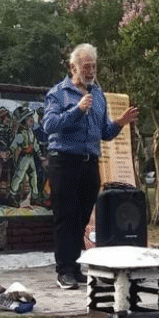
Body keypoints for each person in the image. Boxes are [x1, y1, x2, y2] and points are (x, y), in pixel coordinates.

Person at [43, 43, 138, 289]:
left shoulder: (98, 96)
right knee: (65, 217)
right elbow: (49, 125)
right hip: (64, 162)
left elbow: (104, 132)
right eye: (86, 66)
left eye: (94, 66)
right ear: (73, 67)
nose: (91, 71)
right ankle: (64, 270)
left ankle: (75, 268)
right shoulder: (58, 93)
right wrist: (77, 109)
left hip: (89, 163)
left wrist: (120, 122)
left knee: (82, 218)